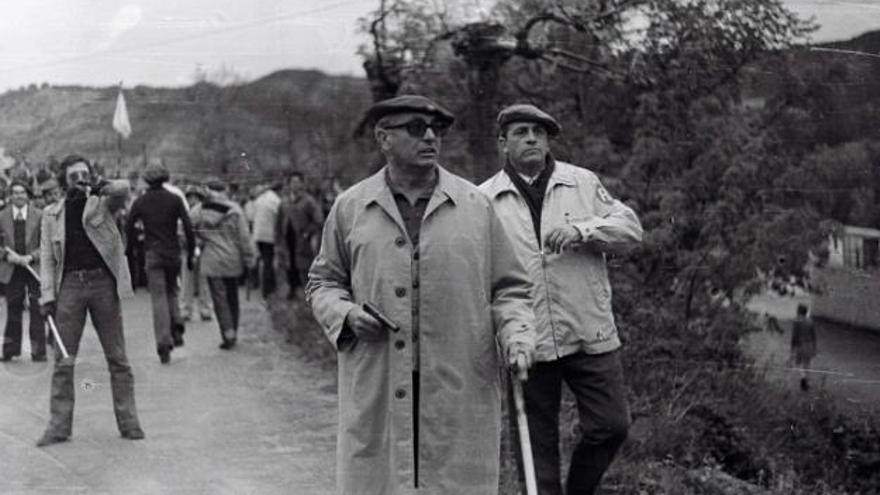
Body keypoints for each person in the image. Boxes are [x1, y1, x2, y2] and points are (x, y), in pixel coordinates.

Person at [307, 94, 536, 494]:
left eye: (437, 130)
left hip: (458, 376)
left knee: (455, 481)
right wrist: (345, 314)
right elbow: (323, 282)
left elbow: (510, 287)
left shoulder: (475, 205)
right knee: (380, 480)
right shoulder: (351, 207)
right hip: (379, 374)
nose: (430, 137)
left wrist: (517, 335)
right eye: (416, 128)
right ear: (384, 138)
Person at [479, 104, 643, 495]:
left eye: (539, 131)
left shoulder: (582, 182)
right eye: (521, 132)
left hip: (590, 330)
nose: (532, 138)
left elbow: (630, 230)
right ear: (503, 143)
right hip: (527, 339)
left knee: (611, 425)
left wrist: (584, 230)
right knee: (535, 446)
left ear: (549, 139)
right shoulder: (483, 198)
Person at [36, 154, 144, 447]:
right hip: (69, 285)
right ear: (63, 180)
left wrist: (99, 183)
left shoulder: (103, 204)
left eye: (84, 174)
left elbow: (123, 189)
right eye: (73, 176)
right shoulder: (50, 214)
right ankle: (59, 427)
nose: (79, 180)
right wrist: (47, 295)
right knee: (63, 359)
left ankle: (129, 423)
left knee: (118, 357)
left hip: (103, 285)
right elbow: (46, 258)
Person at [125, 163, 195, 364]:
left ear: (147, 180)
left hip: (152, 252)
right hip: (173, 252)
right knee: (172, 289)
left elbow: (129, 227)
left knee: (158, 296)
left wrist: (129, 253)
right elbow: (188, 227)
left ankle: (164, 342)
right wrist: (190, 253)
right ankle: (177, 324)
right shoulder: (174, 200)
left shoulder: (141, 201)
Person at [191, 178, 256, 349]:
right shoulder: (235, 209)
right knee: (232, 296)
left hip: (212, 260)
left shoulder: (199, 210)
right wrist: (249, 258)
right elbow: (244, 237)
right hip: (232, 259)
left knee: (219, 299)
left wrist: (200, 241)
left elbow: (188, 230)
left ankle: (227, 333)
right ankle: (233, 329)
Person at [0, 180, 45, 362]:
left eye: (22, 192)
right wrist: (6, 256)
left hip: (33, 267)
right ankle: (10, 350)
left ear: (28, 195)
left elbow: (46, 243)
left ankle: (38, 351)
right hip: (12, 268)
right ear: (10, 195)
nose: (18, 196)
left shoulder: (40, 215)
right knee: (13, 308)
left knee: (37, 308)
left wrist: (31, 257)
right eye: (15, 192)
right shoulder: (2, 216)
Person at [276, 171, 324, 300]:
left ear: (302, 184)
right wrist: (279, 238)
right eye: (292, 182)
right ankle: (292, 289)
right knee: (289, 264)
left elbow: (318, 221)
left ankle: (308, 292)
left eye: (297, 182)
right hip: (287, 238)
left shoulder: (309, 201)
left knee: (303, 265)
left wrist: (308, 232)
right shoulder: (285, 201)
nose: (295, 185)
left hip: (302, 239)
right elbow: (279, 221)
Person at [181, 185, 213, 321]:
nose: (191, 199)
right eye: (190, 197)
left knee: (189, 281)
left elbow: (183, 232)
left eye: (194, 197)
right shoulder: (203, 210)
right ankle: (204, 310)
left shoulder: (192, 211)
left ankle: (186, 310)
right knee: (202, 281)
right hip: (201, 248)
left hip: (192, 248)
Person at [251, 181, 281, 299]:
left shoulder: (259, 199)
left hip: (258, 234)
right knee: (268, 263)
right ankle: (267, 291)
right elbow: (278, 218)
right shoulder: (276, 201)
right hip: (269, 235)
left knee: (263, 260)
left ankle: (270, 286)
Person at [790, 303, 817, 391]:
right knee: (807, 364)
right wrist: (814, 348)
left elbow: (795, 336)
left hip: (801, 345)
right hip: (809, 345)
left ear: (799, 311)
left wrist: (792, 349)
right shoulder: (810, 321)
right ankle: (806, 380)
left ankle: (803, 378)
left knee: (798, 364)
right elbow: (814, 336)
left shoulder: (797, 321)